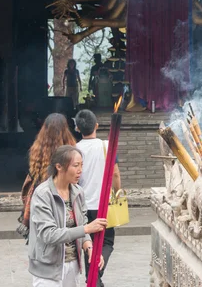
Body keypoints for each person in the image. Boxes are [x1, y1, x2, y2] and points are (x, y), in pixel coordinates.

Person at [28, 145, 107, 286]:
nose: (80, 170)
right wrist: (86, 229)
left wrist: (90, 248)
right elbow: (48, 235)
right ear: (59, 167)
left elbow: (82, 226)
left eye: (82, 165)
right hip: (48, 269)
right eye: (75, 165)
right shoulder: (43, 194)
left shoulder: (78, 192)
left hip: (73, 265)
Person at [76, 109, 121, 287]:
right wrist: (118, 194)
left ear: (78, 128)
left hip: (83, 206)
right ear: (96, 125)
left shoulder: (75, 149)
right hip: (104, 205)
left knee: (88, 243)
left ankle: (93, 277)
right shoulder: (106, 145)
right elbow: (115, 174)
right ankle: (94, 277)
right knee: (106, 242)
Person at [18, 114, 77, 239]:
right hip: (64, 196)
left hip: (41, 196)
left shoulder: (36, 149)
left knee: (43, 234)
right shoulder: (71, 150)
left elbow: (33, 174)